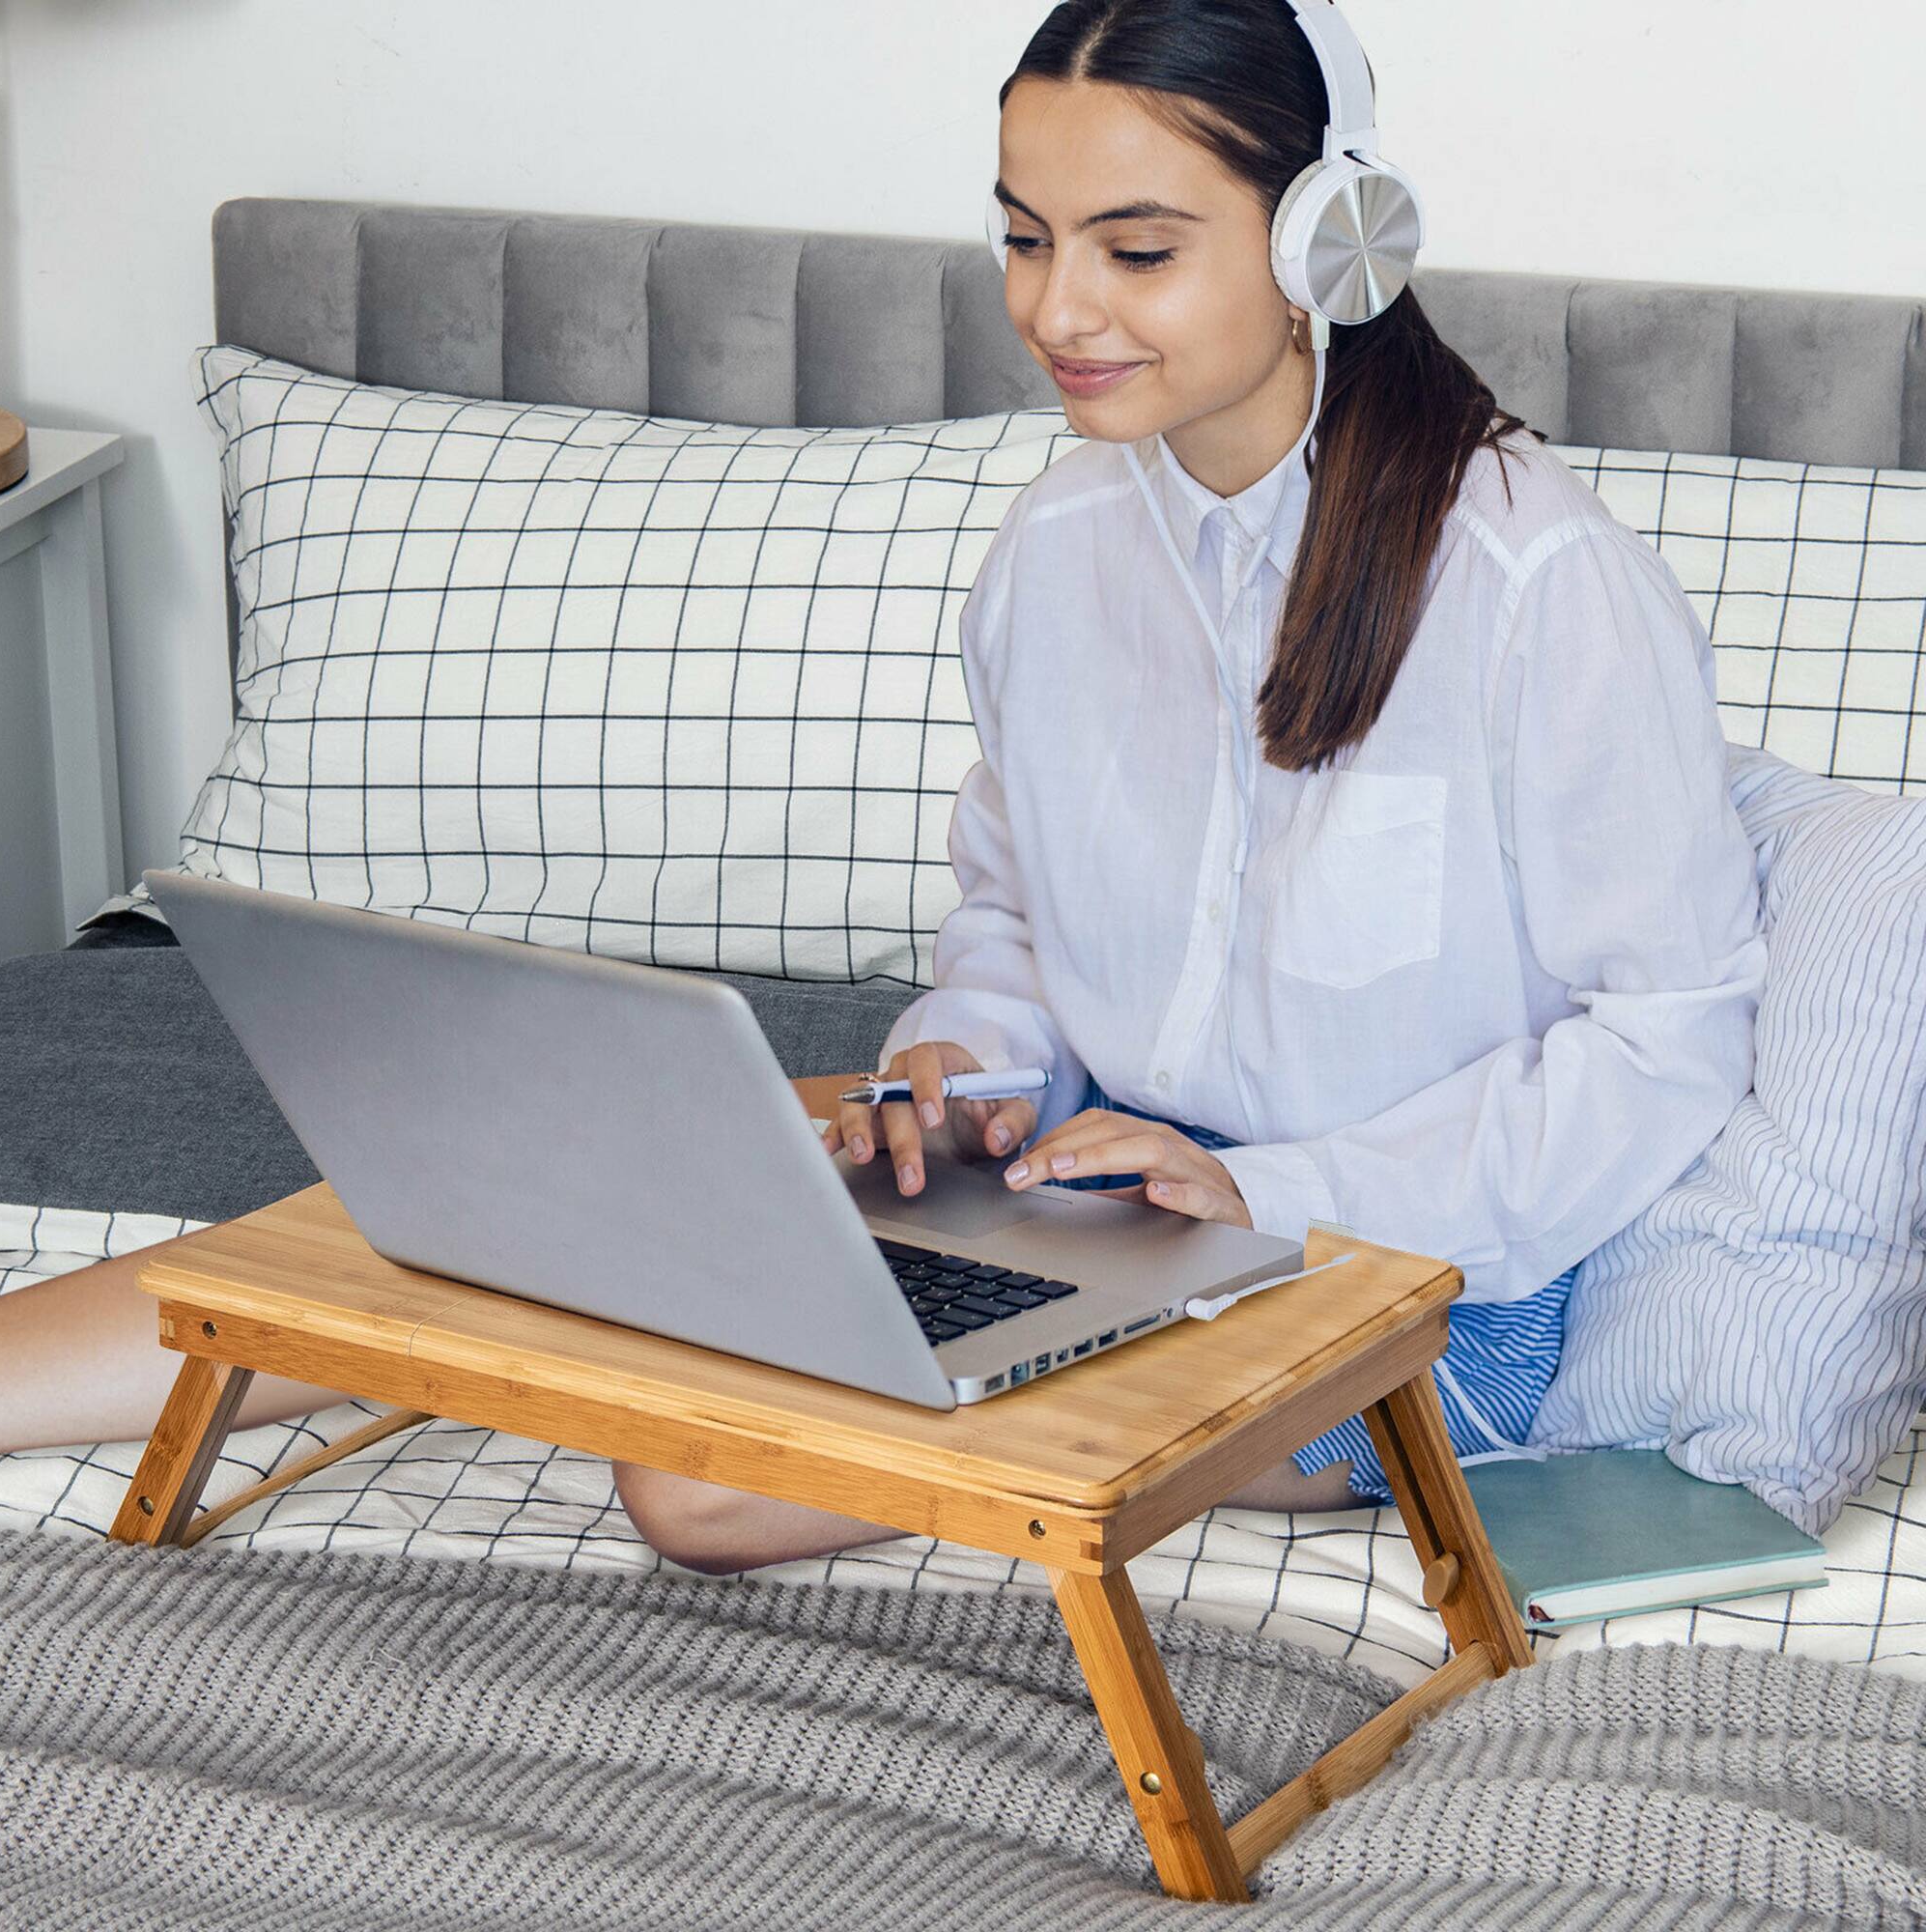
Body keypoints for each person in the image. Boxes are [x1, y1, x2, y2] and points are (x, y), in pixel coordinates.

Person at [615, 0, 1767, 1573]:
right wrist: (967, 1059)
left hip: (1414, 1288)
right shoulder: (1060, 547)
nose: (1057, 309)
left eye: (1136, 252)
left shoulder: (1538, 580)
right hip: (1096, 1198)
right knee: (555, 1225)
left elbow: (1667, 1042)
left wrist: (1256, 1187)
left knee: (695, 1484)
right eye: (1026, 239)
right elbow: (1015, 907)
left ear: (1327, 245)